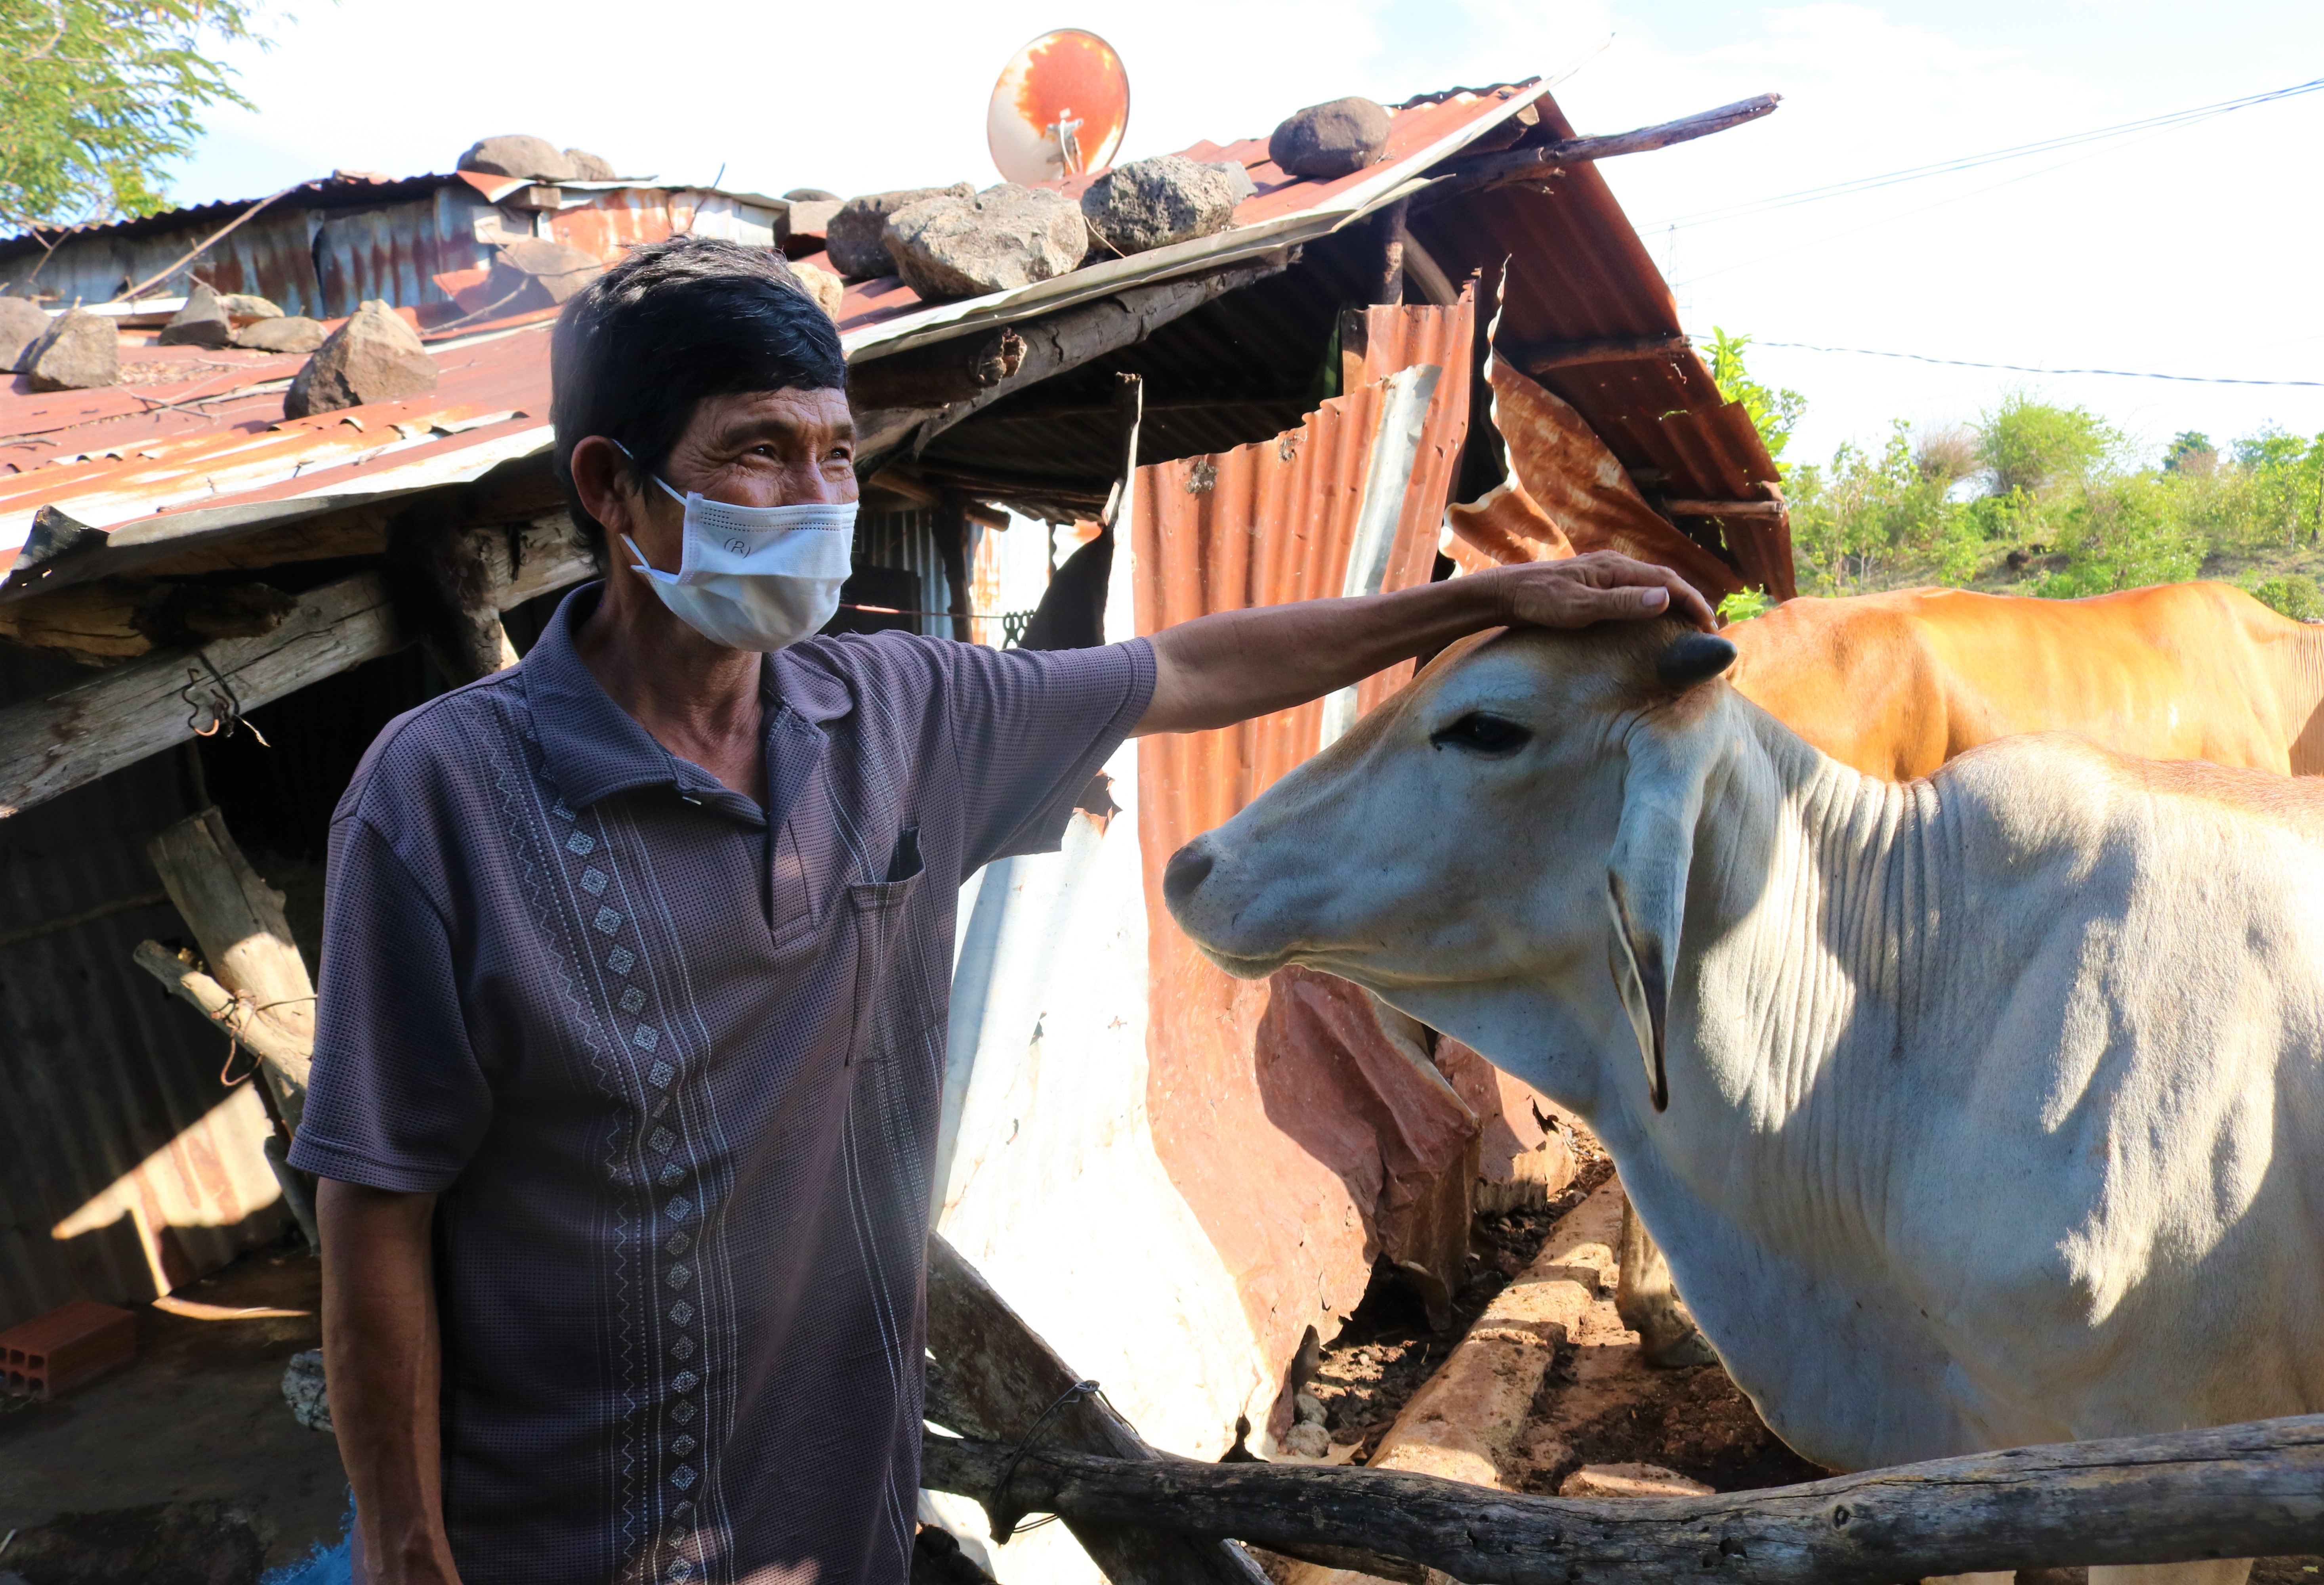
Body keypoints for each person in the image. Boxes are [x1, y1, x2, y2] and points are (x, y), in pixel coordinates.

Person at [290, 235, 1714, 1585]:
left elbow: (1189, 670)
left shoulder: (898, 710)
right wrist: (406, 1543)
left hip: (830, 1510)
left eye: (837, 452)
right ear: (611, 487)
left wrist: (1473, 608)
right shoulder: (444, 796)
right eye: (758, 454)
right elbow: (377, 1211)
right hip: (560, 1534)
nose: (817, 497)